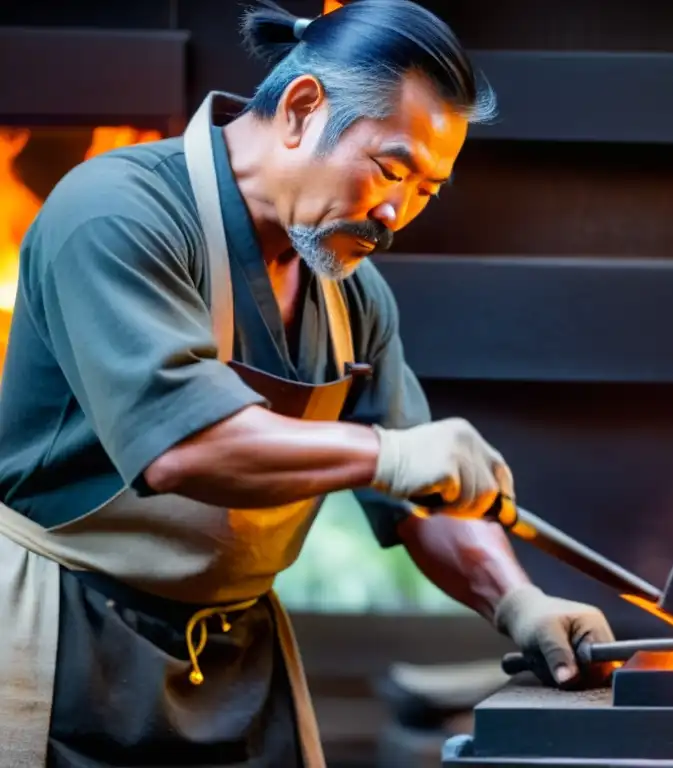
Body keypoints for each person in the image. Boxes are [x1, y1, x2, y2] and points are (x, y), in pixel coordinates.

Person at [0, 1, 614, 765]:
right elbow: (182, 448)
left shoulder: (349, 290)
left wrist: (516, 600)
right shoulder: (116, 214)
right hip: (67, 642)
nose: (396, 212)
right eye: (391, 168)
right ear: (300, 108)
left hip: (240, 659)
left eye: (427, 190)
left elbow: (424, 497)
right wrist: (388, 453)